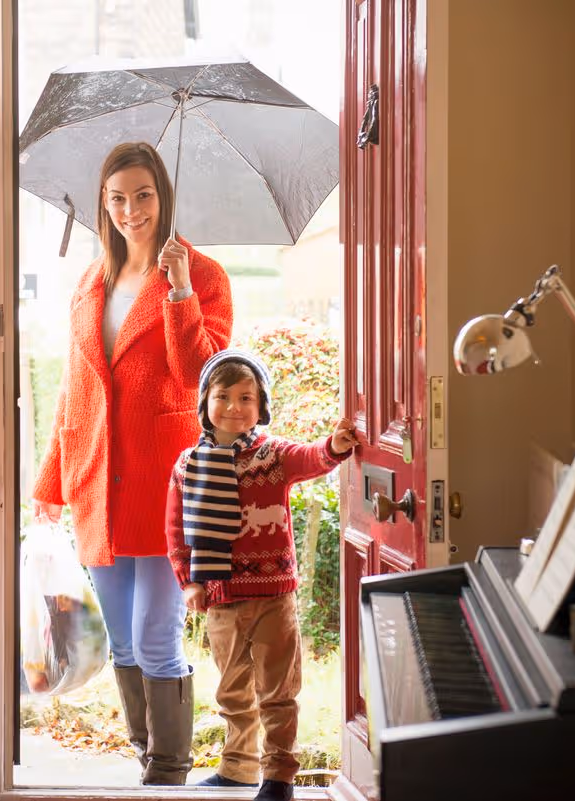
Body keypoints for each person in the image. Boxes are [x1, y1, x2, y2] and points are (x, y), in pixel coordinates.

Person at [31, 141, 233, 786]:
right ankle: (150, 759)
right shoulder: (92, 280)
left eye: (143, 195)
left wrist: (177, 291)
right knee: (122, 642)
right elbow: (76, 389)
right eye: (117, 198)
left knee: (156, 638)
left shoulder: (202, 275)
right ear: (103, 204)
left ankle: (169, 771)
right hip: (98, 482)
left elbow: (204, 376)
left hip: (166, 483)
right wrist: (51, 482)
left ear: (162, 196)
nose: (130, 210)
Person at [165, 349, 358, 801]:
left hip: (272, 595)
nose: (235, 407)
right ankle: (237, 768)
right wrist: (189, 581)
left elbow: (310, 458)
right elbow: (176, 529)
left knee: (277, 690)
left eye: (247, 397)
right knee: (232, 690)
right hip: (220, 596)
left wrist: (334, 447)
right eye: (224, 396)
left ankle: (278, 777)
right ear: (205, 403)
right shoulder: (188, 464)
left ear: (261, 405)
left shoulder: (271, 456)